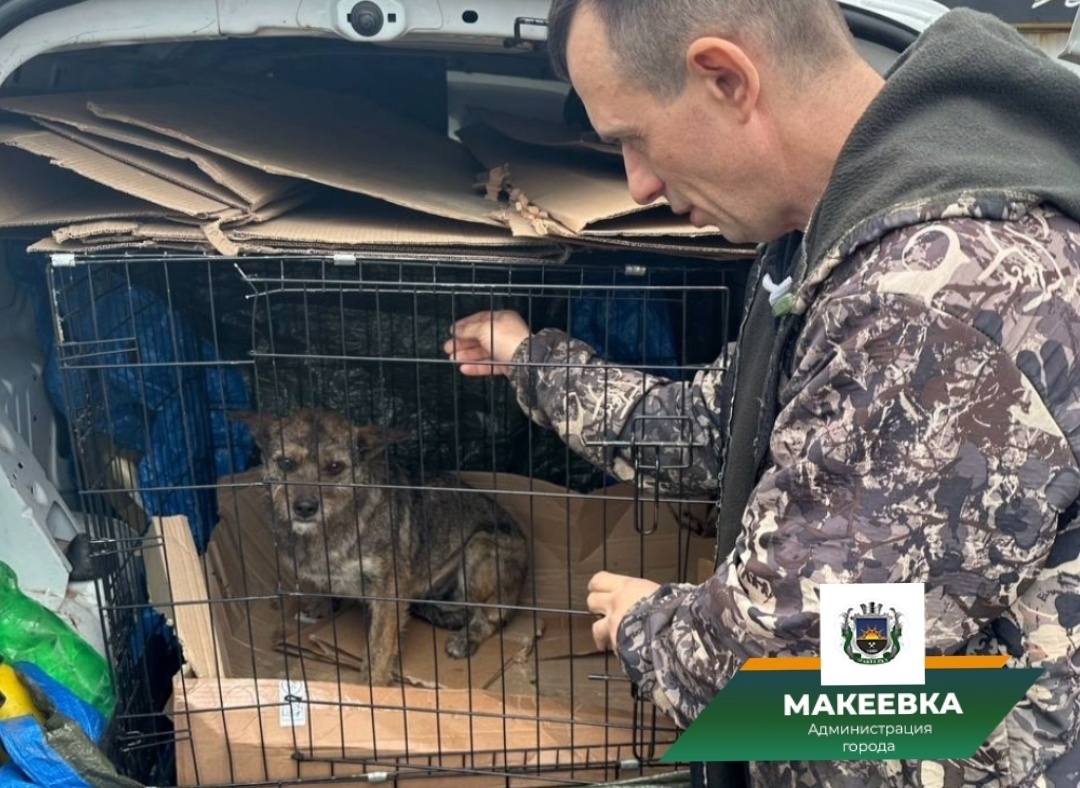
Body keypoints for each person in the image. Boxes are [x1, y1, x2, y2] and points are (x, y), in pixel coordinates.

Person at [443, 1, 1080, 785]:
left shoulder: (933, 301)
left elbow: (792, 653)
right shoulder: (834, 243)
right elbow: (714, 429)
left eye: (632, 138)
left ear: (725, 78)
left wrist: (644, 621)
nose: (638, 183)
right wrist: (530, 362)